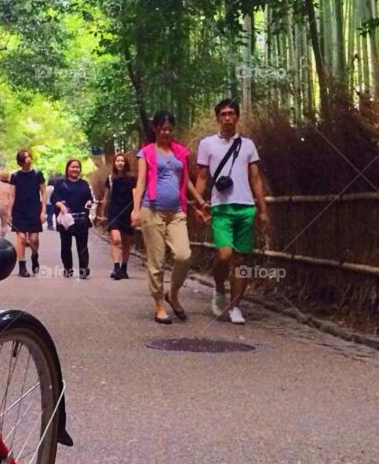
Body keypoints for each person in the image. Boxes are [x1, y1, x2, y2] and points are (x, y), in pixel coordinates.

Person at [196, 97, 270, 325]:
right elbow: (201, 176)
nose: (227, 118)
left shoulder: (248, 145)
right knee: (224, 255)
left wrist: (262, 209)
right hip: (220, 207)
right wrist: (199, 204)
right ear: (218, 118)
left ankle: (235, 305)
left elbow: (255, 178)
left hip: (245, 207)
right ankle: (219, 288)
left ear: (237, 116)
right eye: (223, 114)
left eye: (231, 114)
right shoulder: (207, 144)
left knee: (240, 260)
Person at [132, 111, 204, 324]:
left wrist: (200, 201)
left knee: (184, 255)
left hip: (177, 212)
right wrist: (136, 209)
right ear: (155, 129)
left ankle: (172, 294)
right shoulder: (146, 153)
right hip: (152, 210)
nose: (166, 132)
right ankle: (159, 305)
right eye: (162, 129)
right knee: (157, 261)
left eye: (169, 129)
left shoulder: (181, 152)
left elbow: (187, 182)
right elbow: (141, 182)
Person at [53, 158, 94, 278]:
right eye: (73, 167)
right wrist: (60, 205)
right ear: (67, 169)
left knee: (82, 245)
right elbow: (54, 198)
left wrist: (89, 202)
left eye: (77, 167)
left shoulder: (84, 184)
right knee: (66, 245)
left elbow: (89, 198)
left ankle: (83, 269)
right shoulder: (61, 183)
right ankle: (68, 268)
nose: (75, 169)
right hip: (66, 218)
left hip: (81, 218)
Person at [100, 152, 135, 280]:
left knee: (126, 242)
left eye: (122, 161)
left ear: (126, 163)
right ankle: (116, 268)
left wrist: (136, 211)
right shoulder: (110, 179)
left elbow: (136, 195)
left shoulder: (132, 179)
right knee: (116, 239)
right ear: (114, 164)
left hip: (128, 212)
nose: (120, 163)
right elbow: (106, 197)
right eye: (117, 161)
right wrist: (103, 212)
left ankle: (124, 268)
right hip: (114, 211)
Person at [10, 149, 44, 276]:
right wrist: (9, 212)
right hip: (19, 210)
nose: (28, 159)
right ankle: (22, 266)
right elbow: (12, 195)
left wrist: (43, 211)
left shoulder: (38, 174)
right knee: (22, 238)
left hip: (34, 209)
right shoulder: (15, 176)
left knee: (34, 239)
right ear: (20, 161)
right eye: (25, 157)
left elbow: (43, 193)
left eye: (29, 156)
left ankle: (34, 256)